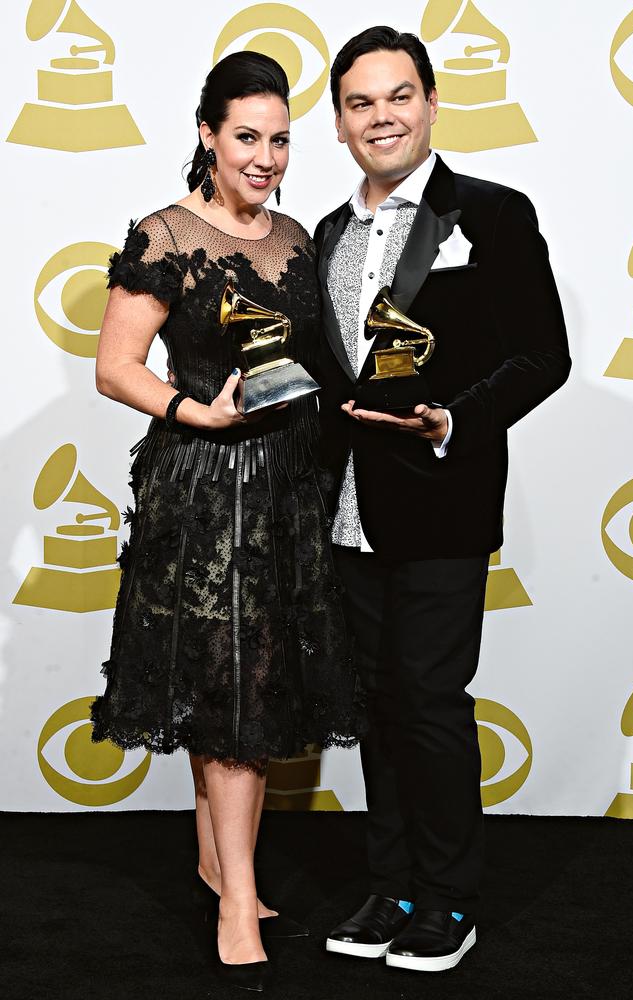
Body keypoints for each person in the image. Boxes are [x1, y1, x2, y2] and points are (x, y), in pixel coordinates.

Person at [90, 51, 363, 992]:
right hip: (203, 488)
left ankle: (217, 860)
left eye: (280, 139)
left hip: (287, 490)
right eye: (247, 137)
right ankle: (239, 900)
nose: (265, 157)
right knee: (230, 686)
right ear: (207, 134)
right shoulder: (164, 234)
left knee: (244, 681)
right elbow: (117, 366)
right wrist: (196, 412)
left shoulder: (295, 237)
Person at [316, 27, 571, 973]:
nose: (381, 115)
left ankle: (450, 899)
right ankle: (394, 887)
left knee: (427, 701)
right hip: (344, 510)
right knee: (377, 707)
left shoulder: (493, 214)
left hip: (442, 500)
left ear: (430, 103)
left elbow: (543, 356)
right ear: (339, 123)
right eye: (359, 102)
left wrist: (451, 421)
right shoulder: (331, 233)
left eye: (398, 96)